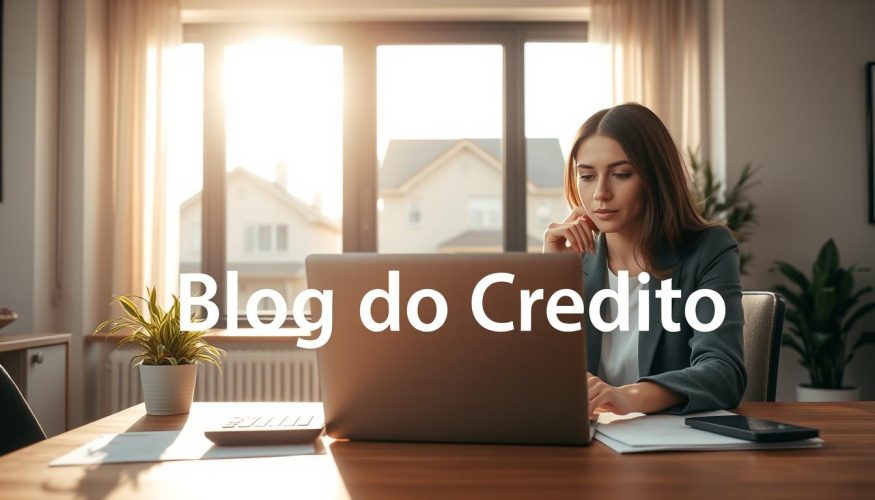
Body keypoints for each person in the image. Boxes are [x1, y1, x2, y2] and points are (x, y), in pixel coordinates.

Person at [543, 103, 746, 417]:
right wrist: (551, 277)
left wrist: (626, 397)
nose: (600, 193)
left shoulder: (708, 250)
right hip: (588, 438)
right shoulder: (575, 260)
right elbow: (539, 378)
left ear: (655, 177)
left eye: (621, 174)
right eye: (587, 176)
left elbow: (724, 373)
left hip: (667, 440)